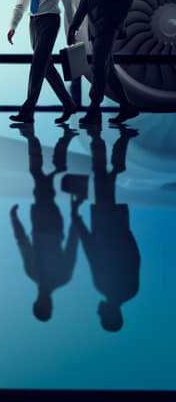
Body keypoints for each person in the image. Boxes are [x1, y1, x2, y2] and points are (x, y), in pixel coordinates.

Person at [67, 0, 139, 126]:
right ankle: (127, 107)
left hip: (108, 26)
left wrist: (114, 22)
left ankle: (94, 109)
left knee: (98, 67)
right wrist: (74, 24)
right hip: (94, 27)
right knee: (107, 70)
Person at [9, 126, 80, 322]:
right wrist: (14, 219)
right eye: (44, 305)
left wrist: (15, 219)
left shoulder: (40, 274)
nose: (42, 301)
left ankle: (56, 143)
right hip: (47, 225)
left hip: (46, 225)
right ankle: (41, 138)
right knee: (39, 178)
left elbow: (23, 242)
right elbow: (72, 247)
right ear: (46, 304)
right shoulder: (52, 276)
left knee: (41, 180)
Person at [74, 126, 140, 331]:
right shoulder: (103, 286)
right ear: (110, 316)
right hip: (105, 225)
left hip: (118, 224)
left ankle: (121, 140)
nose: (98, 312)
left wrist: (124, 231)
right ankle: (98, 135)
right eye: (102, 316)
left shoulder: (131, 291)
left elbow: (135, 257)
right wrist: (77, 221)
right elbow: (91, 250)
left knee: (112, 178)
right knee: (103, 175)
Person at [7, 0, 79, 123]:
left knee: (37, 63)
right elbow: (20, 4)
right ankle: (69, 104)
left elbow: (68, 2)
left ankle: (27, 111)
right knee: (46, 67)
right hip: (34, 24)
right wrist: (13, 26)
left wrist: (72, 30)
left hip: (50, 21)